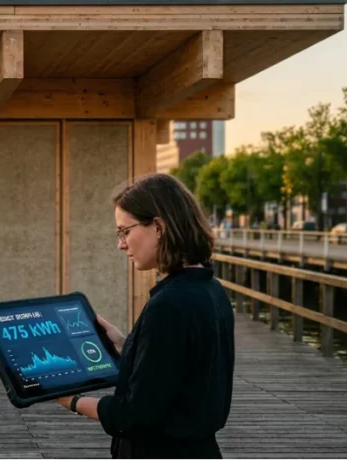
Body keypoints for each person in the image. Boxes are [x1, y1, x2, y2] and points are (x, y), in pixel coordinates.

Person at [55, 172, 235, 458]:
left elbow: (135, 415)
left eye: (125, 231)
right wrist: (126, 345)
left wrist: (71, 400)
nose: (121, 244)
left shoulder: (168, 305)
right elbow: (178, 371)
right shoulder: (211, 290)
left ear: (159, 227)